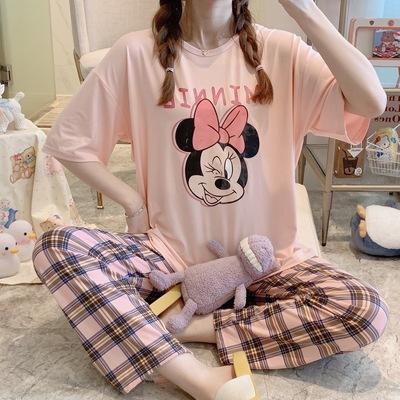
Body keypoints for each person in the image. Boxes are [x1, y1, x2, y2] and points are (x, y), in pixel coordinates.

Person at [33, 1, 389, 399]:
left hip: (267, 264)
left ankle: (186, 326)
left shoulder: (281, 51)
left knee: (364, 308)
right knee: (57, 245)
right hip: (169, 262)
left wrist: (303, 9)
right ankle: (193, 375)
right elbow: (69, 142)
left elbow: (371, 102)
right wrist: (133, 203)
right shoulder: (136, 54)